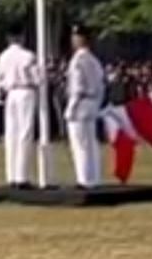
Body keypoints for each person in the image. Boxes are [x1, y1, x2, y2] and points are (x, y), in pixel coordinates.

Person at [0, 24, 40, 189]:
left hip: (10, 94)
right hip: (25, 91)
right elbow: (36, 79)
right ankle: (22, 176)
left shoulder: (3, 56)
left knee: (11, 134)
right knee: (25, 133)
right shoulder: (28, 56)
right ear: (22, 37)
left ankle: (11, 175)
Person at [65, 24, 105, 189]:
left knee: (79, 144)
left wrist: (70, 108)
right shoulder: (94, 61)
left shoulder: (77, 61)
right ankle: (94, 178)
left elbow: (77, 88)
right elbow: (102, 86)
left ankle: (83, 179)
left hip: (80, 104)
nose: (73, 40)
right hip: (92, 103)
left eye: (75, 37)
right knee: (91, 143)